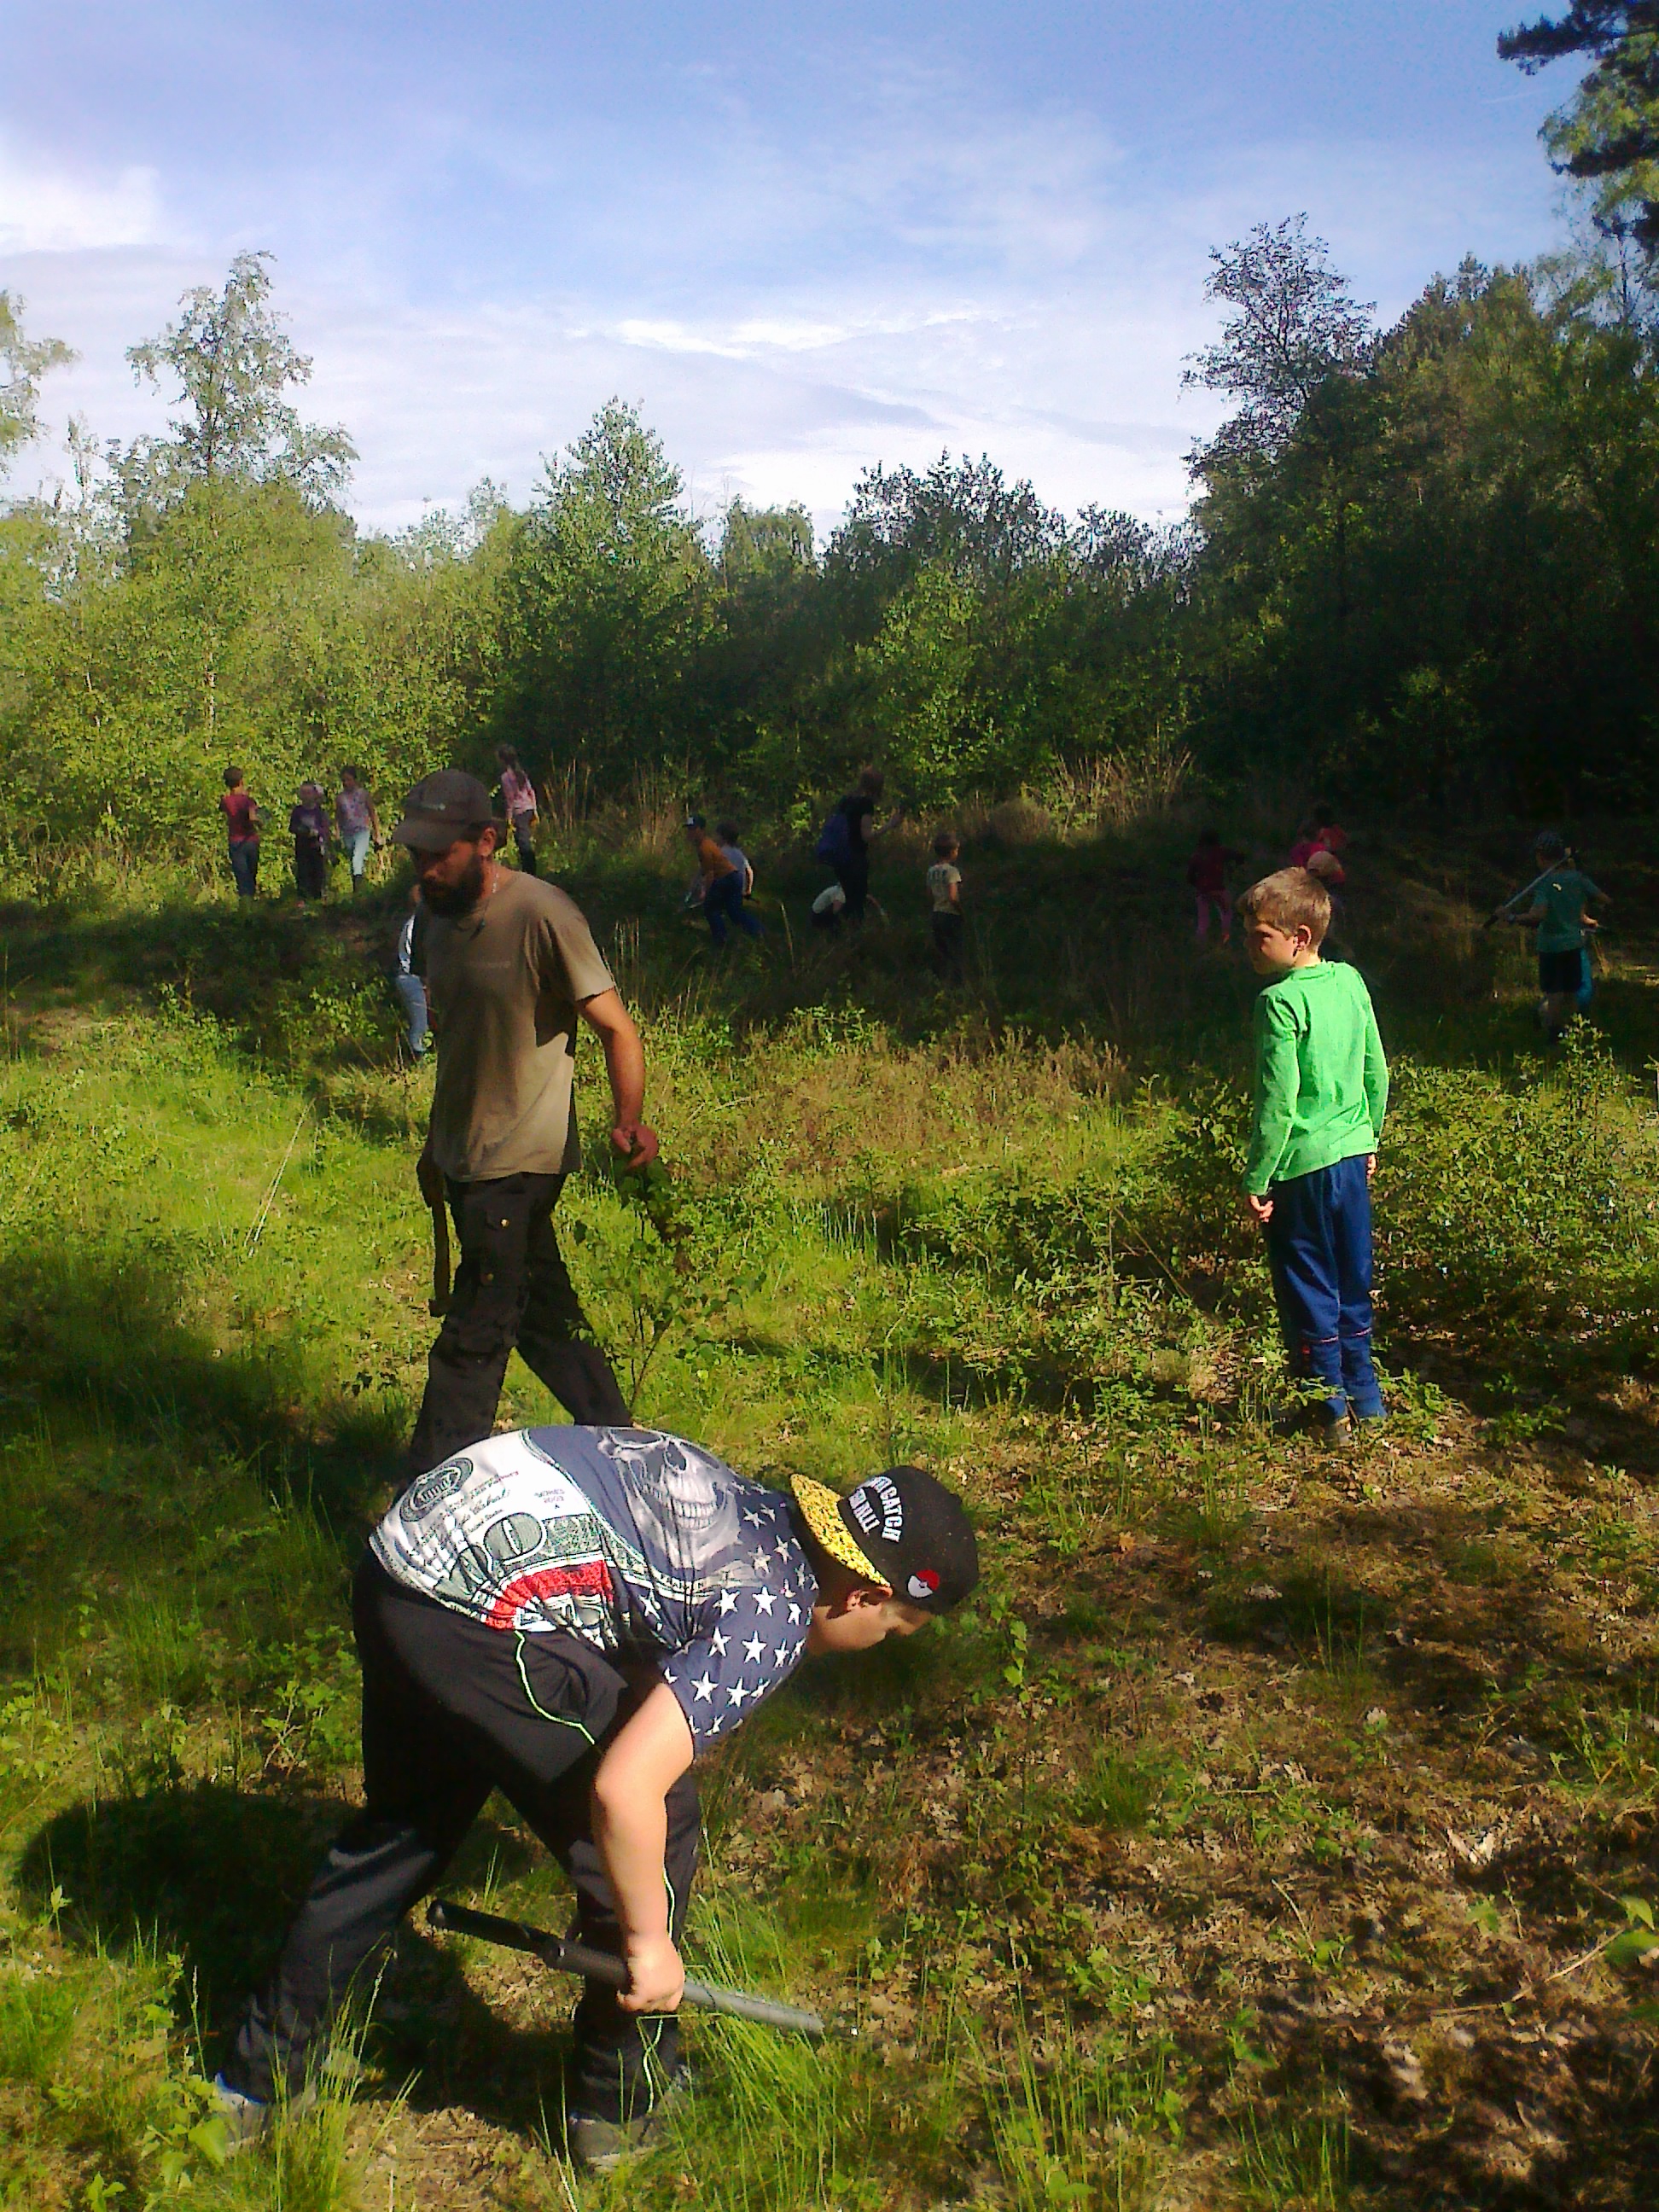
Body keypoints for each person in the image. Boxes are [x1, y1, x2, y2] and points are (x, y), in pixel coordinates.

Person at [215, 1431, 980, 2170]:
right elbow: (624, 1791)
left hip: (400, 1567)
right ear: (865, 1596)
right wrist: (648, 1946)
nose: (885, 1643)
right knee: (661, 1823)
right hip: (472, 1614)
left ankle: (254, 2077)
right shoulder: (772, 1617)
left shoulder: (752, 1510)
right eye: (896, 1630)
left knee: (406, 1828)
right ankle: (621, 2105)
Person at [391, 770, 659, 1476]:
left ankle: (429, 1498)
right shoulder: (435, 922)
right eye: (416, 853)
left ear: (486, 840)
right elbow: (458, 1043)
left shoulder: (544, 913)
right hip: (465, 1156)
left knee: (474, 1337)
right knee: (544, 1317)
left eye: (438, 853)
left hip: (520, 1163)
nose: (425, 867)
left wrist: (628, 1121)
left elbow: (618, 1030)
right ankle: (623, 1446)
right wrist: (435, 1146)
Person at [1240, 867, 1389, 1441]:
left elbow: (1277, 1102)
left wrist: (1258, 1177)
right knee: (1352, 1281)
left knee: (1308, 1286)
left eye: (1261, 936)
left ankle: (1325, 1414)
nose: (1250, 946)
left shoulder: (1277, 1002)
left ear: (1299, 937)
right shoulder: (1350, 981)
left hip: (1300, 1170)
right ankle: (1368, 1407)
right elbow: (1377, 1070)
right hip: (1351, 1161)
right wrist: (1367, 1138)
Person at [1502, 832, 1609, 1040]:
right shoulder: (1578, 879)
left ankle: (1554, 1035)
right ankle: (1569, 1033)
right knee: (1570, 993)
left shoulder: (1546, 884)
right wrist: (1585, 916)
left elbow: (1537, 916)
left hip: (1551, 947)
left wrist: (1511, 917)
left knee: (1555, 993)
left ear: (1541, 856)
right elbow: (1603, 899)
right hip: (1573, 944)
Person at [816, 765, 899, 924]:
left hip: (839, 857)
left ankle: (834, 930)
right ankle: (849, 934)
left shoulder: (846, 801)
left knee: (845, 896)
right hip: (855, 859)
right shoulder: (865, 805)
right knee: (856, 902)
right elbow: (866, 836)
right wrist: (890, 825)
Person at [684, 815, 759, 947]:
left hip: (727, 879)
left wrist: (706, 893)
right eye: (688, 829)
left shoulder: (705, 847)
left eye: (693, 829)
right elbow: (704, 870)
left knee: (710, 908)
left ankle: (721, 941)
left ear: (701, 830)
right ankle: (758, 932)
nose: (690, 833)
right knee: (734, 912)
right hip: (734, 878)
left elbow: (710, 874)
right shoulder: (706, 844)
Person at [1185, 829, 1243, 946]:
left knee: (1203, 921)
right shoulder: (1220, 851)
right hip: (1219, 888)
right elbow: (1239, 857)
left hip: (1202, 890)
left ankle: (1201, 942)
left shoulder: (1198, 855)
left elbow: (1190, 876)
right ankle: (1225, 939)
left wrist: (1196, 885)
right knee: (1226, 913)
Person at [392, 885, 428, 1059]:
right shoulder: (415, 927)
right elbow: (420, 960)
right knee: (420, 1024)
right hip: (410, 978)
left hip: (416, 977)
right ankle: (415, 1059)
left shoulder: (422, 925)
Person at [335, 768, 382, 896]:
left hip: (362, 831)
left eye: (348, 780)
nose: (346, 783)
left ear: (355, 780)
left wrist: (377, 833)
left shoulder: (363, 794)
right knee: (353, 861)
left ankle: (358, 891)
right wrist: (337, 833)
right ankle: (358, 888)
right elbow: (338, 816)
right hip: (347, 832)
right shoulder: (340, 798)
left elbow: (372, 813)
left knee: (357, 858)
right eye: (343, 780)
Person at [927, 830, 964, 983]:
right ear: (952, 852)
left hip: (936, 914)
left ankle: (940, 981)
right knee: (956, 951)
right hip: (950, 915)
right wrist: (961, 912)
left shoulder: (931, 871)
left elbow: (929, 894)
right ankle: (957, 984)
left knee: (942, 951)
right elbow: (953, 897)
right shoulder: (952, 871)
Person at [497, 745, 540, 877]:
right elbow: (531, 792)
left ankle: (530, 872)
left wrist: (509, 817)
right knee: (524, 839)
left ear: (503, 760)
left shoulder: (506, 778)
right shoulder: (521, 773)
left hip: (519, 811)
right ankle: (529, 870)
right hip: (528, 808)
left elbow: (510, 799)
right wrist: (535, 810)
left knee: (523, 842)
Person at [220, 766, 261, 899]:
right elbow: (253, 817)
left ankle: (245, 908)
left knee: (242, 878)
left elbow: (222, 808)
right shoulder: (248, 801)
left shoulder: (226, 801)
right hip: (250, 840)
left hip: (235, 843)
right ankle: (251, 905)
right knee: (251, 875)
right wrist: (261, 823)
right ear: (242, 781)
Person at [289, 783, 330, 905]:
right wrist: (303, 830)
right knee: (303, 872)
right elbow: (292, 827)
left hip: (316, 847)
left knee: (317, 872)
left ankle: (317, 898)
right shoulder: (297, 811)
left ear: (314, 795)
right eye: (303, 793)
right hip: (302, 847)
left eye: (309, 793)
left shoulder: (320, 812)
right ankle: (302, 898)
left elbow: (326, 829)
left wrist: (319, 833)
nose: (306, 796)